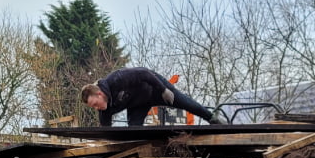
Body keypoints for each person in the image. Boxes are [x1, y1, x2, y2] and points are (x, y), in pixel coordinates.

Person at [81, 66, 222, 126]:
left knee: (185, 103)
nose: (96, 108)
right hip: (138, 104)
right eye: (93, 107)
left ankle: (213, 119)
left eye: (95, 104)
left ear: (100, 94)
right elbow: (106, 131)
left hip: (155, 89)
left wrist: (164, 90)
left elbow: (144, 72)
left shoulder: (117, 78)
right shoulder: (104, 109)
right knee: (133, 131)